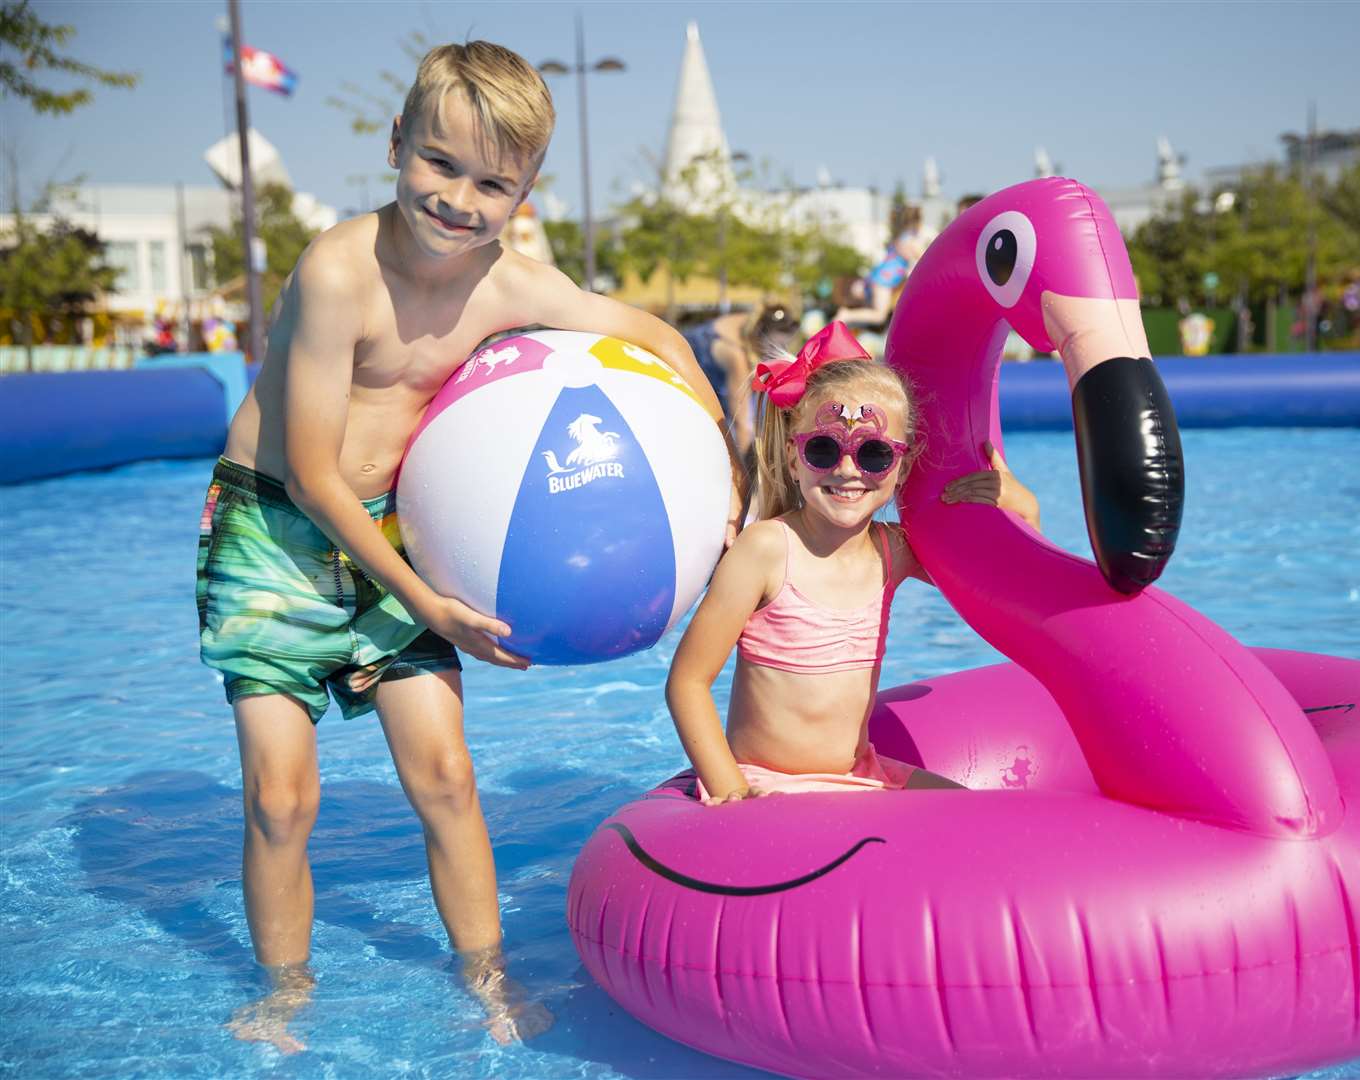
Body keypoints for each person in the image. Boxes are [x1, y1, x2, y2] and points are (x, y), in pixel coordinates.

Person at [196, 41, 741, 1053]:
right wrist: (432, 603)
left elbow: (654, 335)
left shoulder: (505, 283)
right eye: (441, 165)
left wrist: (723, 471)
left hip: (392, 533)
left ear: (524, 192)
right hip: (276, 532)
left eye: (492, 183)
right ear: (397, 143)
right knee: (281, 795)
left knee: (445, 775)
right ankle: (284, 992)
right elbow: (315, 474)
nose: (459, 200)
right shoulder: (336, 273)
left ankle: (488, 980)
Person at [665, 322, 1040, 803]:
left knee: (985, 821)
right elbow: (688, 682)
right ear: (794, 456)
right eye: (823, 449)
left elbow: (1004, 592)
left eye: (874, 453)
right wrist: (732, 792)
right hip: (769, 784)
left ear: (901, 465)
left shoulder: (893, 551)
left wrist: (1023, 508)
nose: (847, 470)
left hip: (861, 776)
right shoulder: (765, 551)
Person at [679, 301, 797, 452]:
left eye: (785, 346)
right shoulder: (737, 358)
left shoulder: (754, 320)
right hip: (685, 381)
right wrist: (746, 470)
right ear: (760, 340)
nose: (780, 353)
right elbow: (742, 425)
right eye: (776, 348)